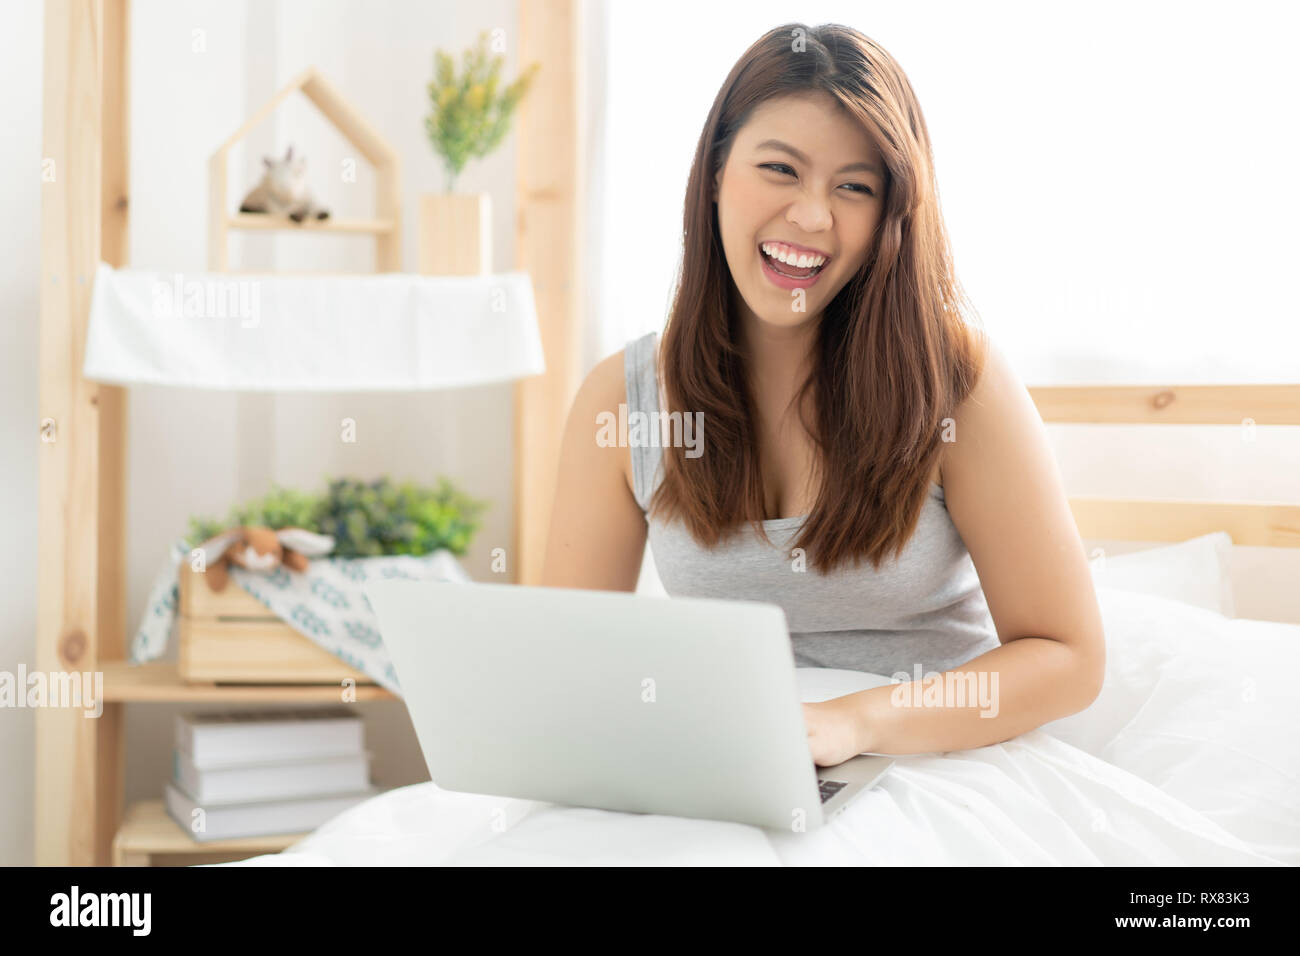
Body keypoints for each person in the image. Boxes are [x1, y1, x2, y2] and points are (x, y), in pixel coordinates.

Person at [542, 22, 1104, 764]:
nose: (812, 216)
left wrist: (857, 723)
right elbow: (564, 661)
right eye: (780, 169)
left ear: (889, 217)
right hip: (729, 764)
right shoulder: (624, 401)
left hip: (930, 763)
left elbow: (1067, 655)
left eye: (854, 187)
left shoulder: (958, 383)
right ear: (714, 173)